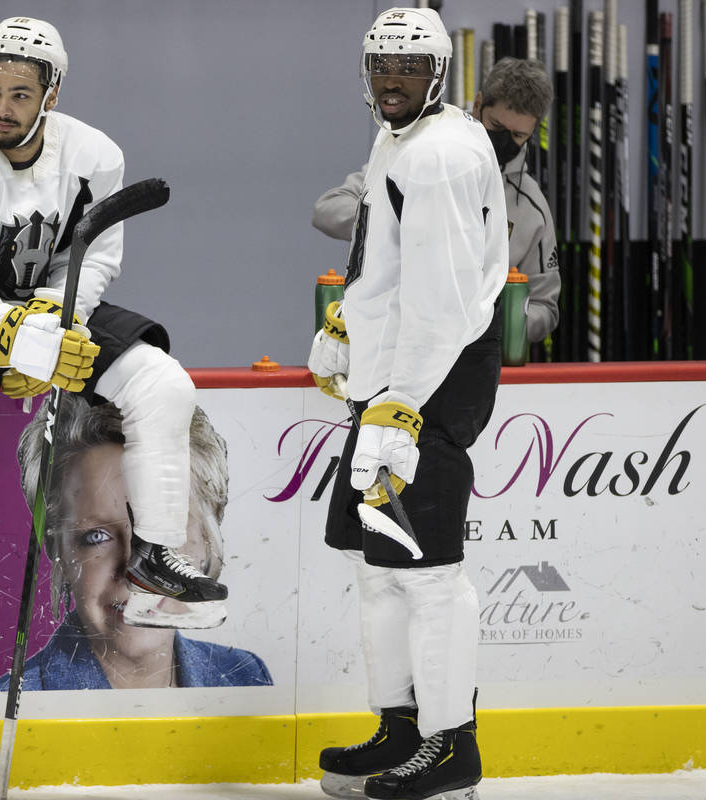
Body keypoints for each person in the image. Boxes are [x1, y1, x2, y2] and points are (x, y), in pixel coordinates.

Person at [0, 16, 225, 674]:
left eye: (18, 94)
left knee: (162, 383)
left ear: (53, 94)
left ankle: (155, 559)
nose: (0, 109)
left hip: (50, 303)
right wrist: (11, 336)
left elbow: (93, 263)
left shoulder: (95, 155)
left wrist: (43, 322)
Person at [307, 8, 508, 800]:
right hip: (395, 375)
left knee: (428, 574)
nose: (393, 80)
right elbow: (390, 267)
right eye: (381, 65)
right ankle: (401, 727)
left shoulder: (444, 156)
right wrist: (349, 331)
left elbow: (450, 301)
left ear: (439, 74)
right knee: (376, 565)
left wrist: (402, 401)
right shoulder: (401, 137)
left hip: (433, 377)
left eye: (410, 67)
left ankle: (451, 744)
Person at [0, 395, 272, 691]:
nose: (135, 572)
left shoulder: (245, 678)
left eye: (162, 528)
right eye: (96, 537)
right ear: (59, 552)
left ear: (208, 537)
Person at [312, 57, 559, 345]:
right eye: (496, 126)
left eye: (518, 135)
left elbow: (545, 308)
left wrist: (501, 323)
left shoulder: (531, 209)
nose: (503, 142)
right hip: (390, 344)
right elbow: (327, 209)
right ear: (478, 105)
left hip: (474, 359)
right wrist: (403, 218)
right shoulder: (416, 150)